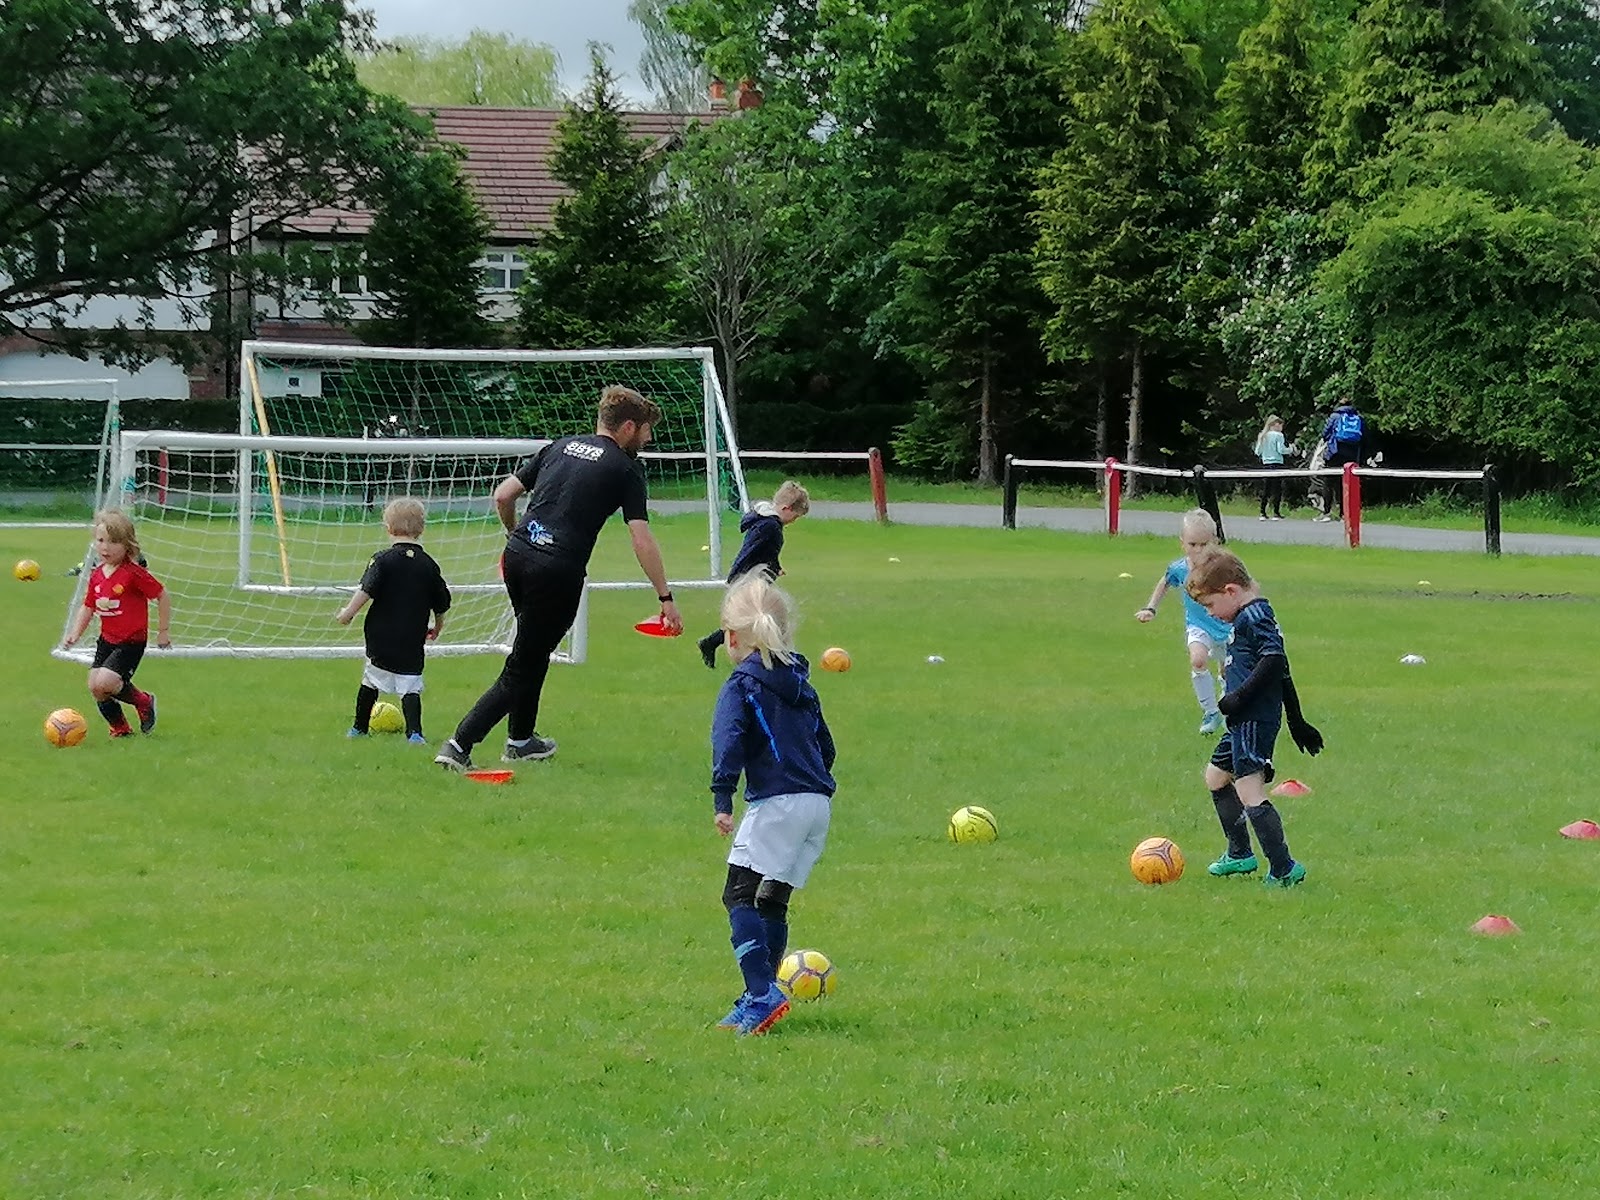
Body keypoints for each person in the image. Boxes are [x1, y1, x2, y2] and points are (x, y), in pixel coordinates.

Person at [434, 385, 683, 772]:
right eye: (646, 430)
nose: (648, 439)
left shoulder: (561, 445)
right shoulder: (625, 467)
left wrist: (514, 534)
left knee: (531, 651)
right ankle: (458, 745)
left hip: (517, 556)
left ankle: (521, 740)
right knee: (523, 665)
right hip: (557, 570)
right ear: (629, 427)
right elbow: (641, 538)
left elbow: (503, 496)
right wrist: (665, 597)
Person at [707, 572, 836, 1037]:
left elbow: (729, 742)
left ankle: (761, 992)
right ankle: (757, 996)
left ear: (732, 637)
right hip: (817, 804)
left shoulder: (741, 685)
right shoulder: (802, 683)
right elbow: (825, 744)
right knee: (771, 899)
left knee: (737, 894)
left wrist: (723, 796)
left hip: (778, 804)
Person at [1185, 548, 1324, 887]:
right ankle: (1239, 854)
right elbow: (1282, 669)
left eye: (1210, 605)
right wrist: (1297, 721)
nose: (1211, 614)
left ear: (1231, 591)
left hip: (1251, 719)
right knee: (1216, 777)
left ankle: (1283, 867)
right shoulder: (1246, 615)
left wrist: (1238, 697)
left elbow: (1275, 661)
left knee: (1250, 790)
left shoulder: (1254, 615)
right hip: (1242, 719)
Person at [335, 497, 452, 744]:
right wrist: (438, 627)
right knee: (410, 684)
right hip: (412, 636)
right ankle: (415, 734)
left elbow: (366, 590)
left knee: (370, 678)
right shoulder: (429, 565)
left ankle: (359, 728)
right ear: (421, 529)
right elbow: (441, 602)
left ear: (387, 527)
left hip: (381, 634)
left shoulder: (381, 560)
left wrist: (348, 613)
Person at [61, 509, 171, 738]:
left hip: (131, 640)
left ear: (127, 545)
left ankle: (143, 701)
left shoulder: (133, 573)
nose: (105, 547)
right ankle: (121, 728)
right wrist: (75, 633)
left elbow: (162, 594)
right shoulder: (98, 574)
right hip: (107, 639)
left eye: (113, 542)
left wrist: (163, 631)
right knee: (95, 686)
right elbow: (88, 606)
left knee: (107, 682)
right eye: (101, 541)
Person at [1134, 509, 1234, 735]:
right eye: (1193, 544)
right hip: (1198, 626)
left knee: (1228, 671)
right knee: (1198, 661)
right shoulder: (1180, 568)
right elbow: (1166, 581)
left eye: (1204, 544)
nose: (1198, 550)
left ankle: (1229, 708)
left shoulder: (1223, 566)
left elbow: (1240, 588)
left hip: (1226, 625)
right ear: (1183, 543)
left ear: (1215, 542)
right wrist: (1151, 608)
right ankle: (1210, 712)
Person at [696, 480, 810, 669]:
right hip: (750, 577)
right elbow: (754, 551)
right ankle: (768, 654)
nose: (794, 521)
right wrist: (749, 573)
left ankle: (714, 642)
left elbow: (762, 551)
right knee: (756, 614)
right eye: (795, 516)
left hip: (750, 574)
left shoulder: (763, 521)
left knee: (748, 616)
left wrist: (775, 567)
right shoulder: (771, 527)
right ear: (786, 508)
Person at [1316, 399, 1366, 522]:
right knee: (1346, 484)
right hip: (1351, 455)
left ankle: (1326, 512)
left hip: (1335, 452)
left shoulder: (1335, 416)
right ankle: (1344, 514)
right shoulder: (1358, 418)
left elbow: (1325, 433)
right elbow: (1363, 437)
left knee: (1328, 483)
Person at [1253, 415, 1288, 521]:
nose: (1281, 427)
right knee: (1277, 488)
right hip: (1277, 463)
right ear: (1275, 425)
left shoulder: (1263, 435)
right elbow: (1281, 450)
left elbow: (1257, 451)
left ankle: (1262, 512)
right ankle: (1276, 512)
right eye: (1280, 425)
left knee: (1266, 488)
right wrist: (1290, 449)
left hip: (1266, 463)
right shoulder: (1279, 435)